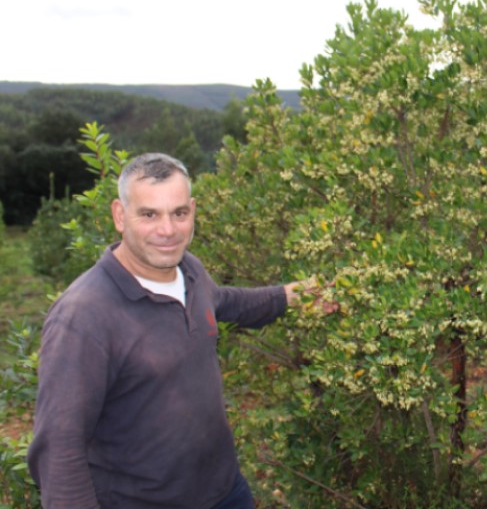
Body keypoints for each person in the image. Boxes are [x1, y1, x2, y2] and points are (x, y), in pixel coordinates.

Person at [27, 153, 335, 509]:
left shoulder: (189, 270)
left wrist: (291, 295)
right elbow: (59, 448)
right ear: (119, 215)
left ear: (193, 211)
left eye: (179, 213)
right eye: (149, 214)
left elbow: (226, 302)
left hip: (225, 491)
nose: (168, 230)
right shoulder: (84, 317)